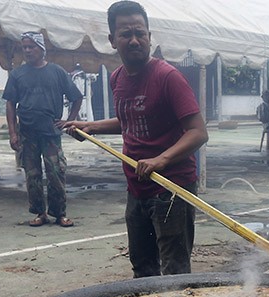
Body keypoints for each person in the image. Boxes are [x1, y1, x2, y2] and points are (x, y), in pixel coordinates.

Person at [65, 1, 208, 278]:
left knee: (174, 269)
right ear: (112, 40)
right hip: (137, 185)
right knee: (142, 264)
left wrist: (161, 159)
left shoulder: (168, 77)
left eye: (140, 33)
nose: (134, 40)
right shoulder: (117, 78)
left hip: (172, 186)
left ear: (150, 37)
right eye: (125, 34)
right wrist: (90, 126)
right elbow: (130, 119)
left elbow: (198, 132)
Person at [4, 31, 82, 227]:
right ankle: (40, 213)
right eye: (25, 47)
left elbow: (76, 97)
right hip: (27, 133)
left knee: (56, 173)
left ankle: (59, 213)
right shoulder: (17, 74)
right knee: (32, 175)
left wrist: (69, 122)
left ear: (42, 49)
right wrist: (13, 133)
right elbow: (10, 104)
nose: (28, 50)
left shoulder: (57, 72)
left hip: (51, 133)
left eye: (32, 46)